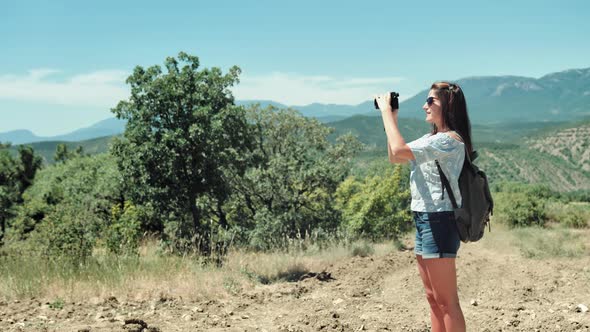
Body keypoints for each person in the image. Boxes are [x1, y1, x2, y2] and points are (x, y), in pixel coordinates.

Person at [374, 81, 472, 332]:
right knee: (433, 298)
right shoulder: (433, 138)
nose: (424, 105)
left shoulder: (449, 141)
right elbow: (395, 156)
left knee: (447, 302)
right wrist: (392, 118)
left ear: (447, 105)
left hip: (439, 220)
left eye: (431, 101)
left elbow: (398, 148)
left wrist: (386, 112)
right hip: (424, 219)